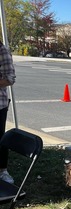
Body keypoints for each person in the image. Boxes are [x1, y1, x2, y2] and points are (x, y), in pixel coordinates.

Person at [0, 41, 16, 184]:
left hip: (0, 104)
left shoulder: (2, 50)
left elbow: (10, 78)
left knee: (0, 139)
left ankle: (3, 171)